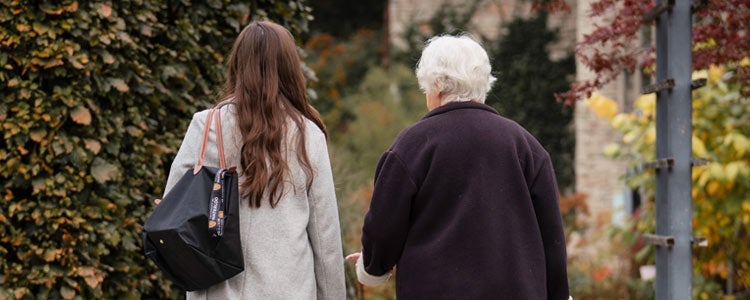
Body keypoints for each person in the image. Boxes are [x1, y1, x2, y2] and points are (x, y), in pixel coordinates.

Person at [345, 34, 571, 299]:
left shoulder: (413, 145)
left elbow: (384, 226)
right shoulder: (526, 146)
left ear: (437, 85)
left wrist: (373, 266)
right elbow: (552, 239)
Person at [161, 21, 346, 299]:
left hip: (218, 291)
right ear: (289, 67)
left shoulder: (206, 126)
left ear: (237, 63)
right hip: (290, 290)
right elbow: (325, 237)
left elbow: (173, 207)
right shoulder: (308, 135)